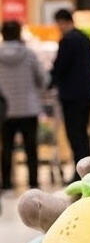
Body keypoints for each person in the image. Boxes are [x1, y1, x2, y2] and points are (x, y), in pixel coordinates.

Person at [0, 20, 45, 190]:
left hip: (5, 110)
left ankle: (6, 183)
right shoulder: (29, 54)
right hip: (28, 107)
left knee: (6, 147)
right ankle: (33, 181)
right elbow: (42, 79)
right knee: (31, 147)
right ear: (19, 33)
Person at [51, 8, 90, 172]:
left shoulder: (67, 41)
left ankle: (79, 171)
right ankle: (88, 169)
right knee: (83, 133)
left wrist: (51, 81)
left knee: (74, 134)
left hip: (71, 95)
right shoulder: (85, 38)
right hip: (87, 92)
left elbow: (60, 67)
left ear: (63, 22)